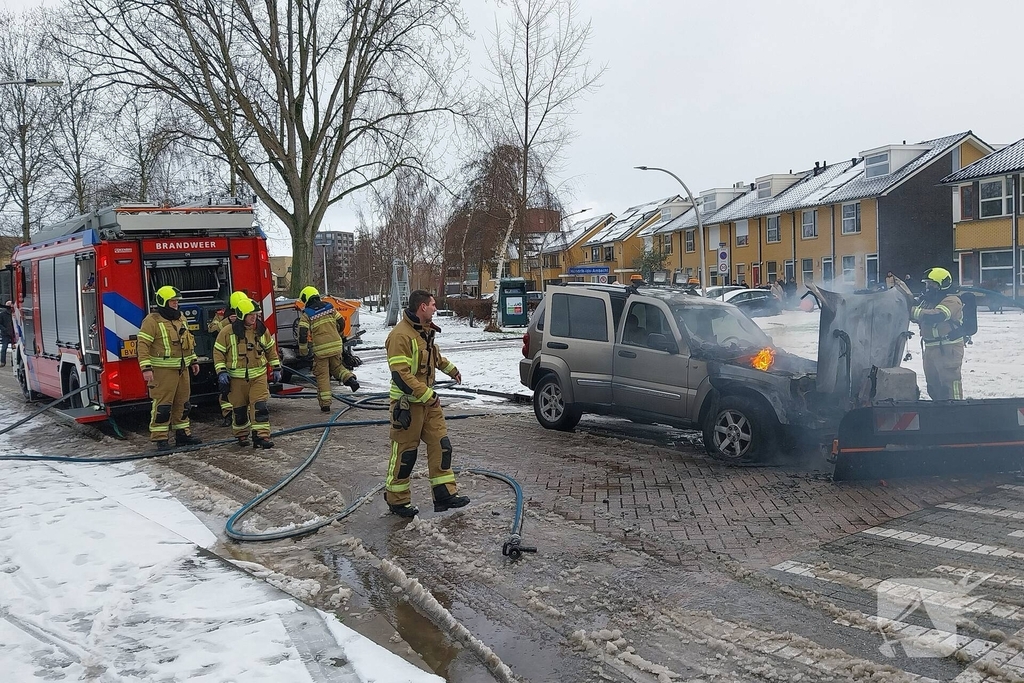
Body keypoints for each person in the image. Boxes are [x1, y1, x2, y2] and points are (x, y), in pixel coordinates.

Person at [383, 289, 469, 517]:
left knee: (442, 445)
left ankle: (444, 495)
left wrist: (452, 370)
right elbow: (401, 375)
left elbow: (434, 357)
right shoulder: (400, 336)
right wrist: (427, 395)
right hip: (407, 406)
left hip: (428, 403)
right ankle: (397, 500)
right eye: (432, 305)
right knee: (405, 455)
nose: (435, 308)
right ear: (422, 307)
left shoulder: (425, 332)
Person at [137, 286, 202, 451]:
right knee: (163, 405)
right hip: (162, 371)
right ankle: (161, 439)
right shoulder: (152, 321)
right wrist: (146, 368)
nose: (176, 304)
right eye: (173, 301)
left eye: (177, 301)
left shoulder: (180, 318)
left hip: (182, 369)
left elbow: (188, 341)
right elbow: (143, 345)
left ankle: (182, 434)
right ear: (163, 302)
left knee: (183, 403)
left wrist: (193, 360)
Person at [214, 297, 282, 448]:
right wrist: (221, 371)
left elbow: (271, 350)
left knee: (260, 407)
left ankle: (261, 437)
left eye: (256, 314)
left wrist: (276, 367)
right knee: (239, 411)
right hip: (236, 380)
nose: (255, 317)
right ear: (242, 315)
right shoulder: (227, 332)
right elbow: (218, 353)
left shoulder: (261, 330)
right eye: (251, 315)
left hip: (258, 377)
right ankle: (241, 435)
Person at [297, 286, 359, 411]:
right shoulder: (329, 307)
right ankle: (350, 379)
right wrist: (340, 335)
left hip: (321, 350)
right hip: (336, 345)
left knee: (322, 375)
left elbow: (303, 333)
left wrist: (303, 351)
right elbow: (341, 321)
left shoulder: (307, 313)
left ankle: (325, 404)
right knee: (337, 367)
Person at [910, 267, 965, 400]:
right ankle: (939, 411)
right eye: (927, 284)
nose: (928, 287)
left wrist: (912, 310)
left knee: (950, 383)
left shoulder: (952, 300)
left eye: (931, 284)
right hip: (930, 348)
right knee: (933, 384)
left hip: (948, 348)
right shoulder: (928, 302)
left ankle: (956, 409)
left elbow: (937, 316)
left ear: (942, 284)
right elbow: (916, 317)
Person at [207, 292, 246, 426]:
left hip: (243, 361)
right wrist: (227, 320)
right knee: (225, 391)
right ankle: (228, 415)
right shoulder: (221, 315)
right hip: (227, 358)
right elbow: (211, 329)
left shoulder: (248, 313)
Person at [0, 301, 14, 367]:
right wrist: (4, 329)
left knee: (14, 348)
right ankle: (2, 362)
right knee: (4, 347)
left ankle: (13, 361)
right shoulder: (2, 314)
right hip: (5, 334)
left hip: (14, 334)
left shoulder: (14, 313)